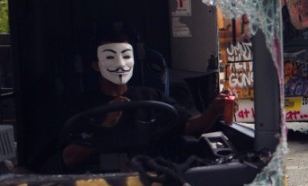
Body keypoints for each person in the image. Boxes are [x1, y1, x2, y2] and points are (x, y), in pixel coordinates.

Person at [62, 31, 228, 170]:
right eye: (110, 57)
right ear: (96, 65)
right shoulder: (83, 105)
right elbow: (69, 158)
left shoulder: (152, 97)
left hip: (150, 178)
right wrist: (104, 126)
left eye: (126, 56)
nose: (120, 64)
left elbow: (189, 126)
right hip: (100, 184)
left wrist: (213, 110)